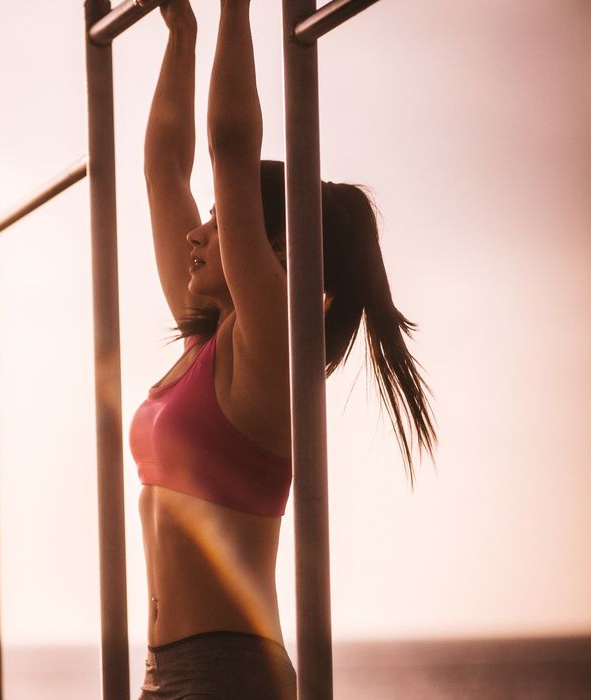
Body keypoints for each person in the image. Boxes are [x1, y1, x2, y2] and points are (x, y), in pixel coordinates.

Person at [129, 1, 439, 697]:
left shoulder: (269, 345)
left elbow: (230, 153)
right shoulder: (206, 341)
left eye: (217, 220)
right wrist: (181, 32)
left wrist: (234, 7)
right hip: (164, 671)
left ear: (271, 252)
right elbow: (161, 173)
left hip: (229, 674)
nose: (197, 232)